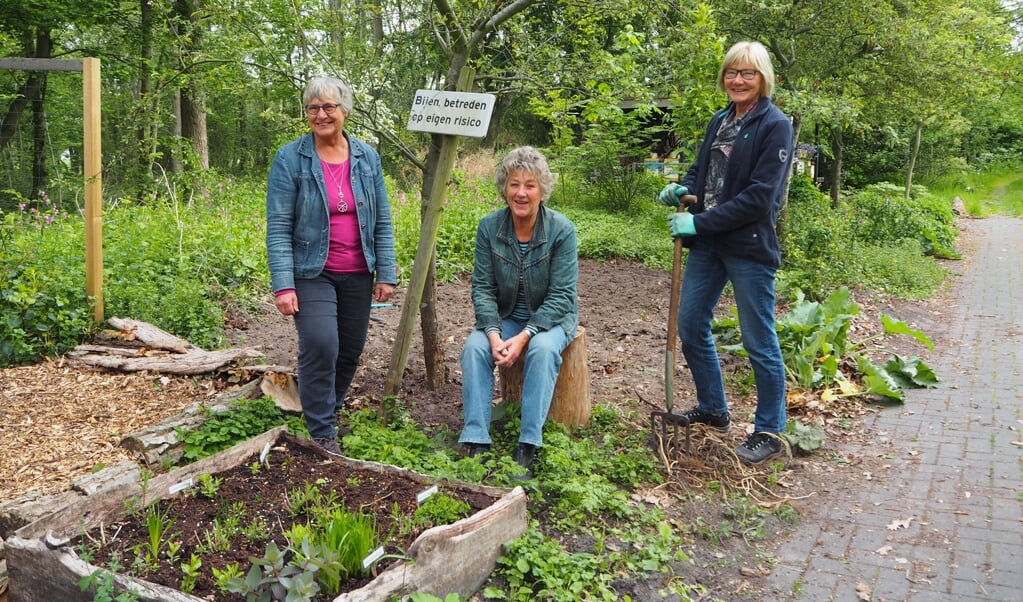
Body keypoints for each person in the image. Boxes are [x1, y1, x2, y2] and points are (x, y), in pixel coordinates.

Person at [658, 41, 793, 465]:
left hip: (747, 247)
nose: (737, 80)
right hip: (709, 244)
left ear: (763, 78)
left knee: (759, 340)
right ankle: (714, 409)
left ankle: (769, 430)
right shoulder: (721, 119)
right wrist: (683, 187)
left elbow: (758, 198)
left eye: (747, 73)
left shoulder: (775, 125)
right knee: (691, 323)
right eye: (732, 72)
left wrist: (698, 222)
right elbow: (705, 172)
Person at [266, 76, 397, 457]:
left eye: (329, 107)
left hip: (358, 270)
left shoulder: (366, 157)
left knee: (350, 349)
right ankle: (322, 431)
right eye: (313, 108)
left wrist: (385, 270)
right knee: (322, 342)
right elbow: (278, 225)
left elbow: (383, 219)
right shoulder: (291, 158)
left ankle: (330, 408)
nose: (321, 115)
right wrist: (283, 284)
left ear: (345, 112)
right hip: (311, 270)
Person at [458, 146, 579, 479]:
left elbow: (562, 295)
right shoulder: (489, 228)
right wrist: (495, 335)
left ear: (542, 191)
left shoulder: (561, 230)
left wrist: (526, 335)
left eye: (530, 185)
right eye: (514, 184)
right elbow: (482, 288)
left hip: (551, 318)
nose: (521, 193)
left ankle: (528, 443)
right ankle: (477, 439)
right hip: (506, 314)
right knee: (474, 349)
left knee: (542, 350)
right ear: (504, 188)